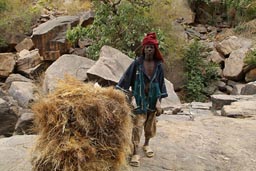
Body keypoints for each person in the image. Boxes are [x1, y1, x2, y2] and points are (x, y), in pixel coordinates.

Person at [116, 32, 168, 167]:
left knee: (150, 125)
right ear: (143, 49)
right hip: (139, 99)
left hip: (153, 100)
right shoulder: (137, 64)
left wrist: (159, 102)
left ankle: (147, 144)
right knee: (137, 126)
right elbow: (126, 79)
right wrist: (124, 95)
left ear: (155, 49)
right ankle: (135, 152)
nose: (149, 49)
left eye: (152, 47)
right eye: (147, 47)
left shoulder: (158, 65)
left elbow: (161, 84)